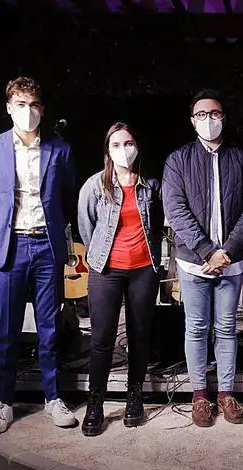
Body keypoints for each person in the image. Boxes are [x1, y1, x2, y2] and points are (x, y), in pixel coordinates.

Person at [0, 77, 77, 434]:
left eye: (33, 105)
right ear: (9, 107)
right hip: (10, 247)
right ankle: (4, 402)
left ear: (42, 109)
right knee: (7, 331)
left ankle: (53, 398)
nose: (27, 111)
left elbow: (67, 197)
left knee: (50, 328)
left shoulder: (59, 149)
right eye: (20, 104)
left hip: (46, 246)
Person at [162, 89, 243, 427]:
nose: (209, 120)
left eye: (214, 114)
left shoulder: (240, 159)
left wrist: (227, 251)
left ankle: (226, 393)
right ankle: (200, 395)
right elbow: (176, 210)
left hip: (231, 262)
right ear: (192, 121)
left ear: (223, 118)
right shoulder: (178, 160)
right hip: (194, 262)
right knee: (196, 328)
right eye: (202, 114)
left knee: (227, 328)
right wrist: (207, 250)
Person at [77, 122, 163, 434]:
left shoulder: (151, 186)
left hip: (143, 270)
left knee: (140, 335)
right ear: (107, 151)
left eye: (128, 143)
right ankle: (96, 402)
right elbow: (86, 226)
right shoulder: (94, 186)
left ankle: (134, 396)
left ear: (136, 146)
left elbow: (158, 225)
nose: (123, 150)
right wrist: (101, 256)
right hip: (106, 271)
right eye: (116, 145)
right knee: (102, 338)